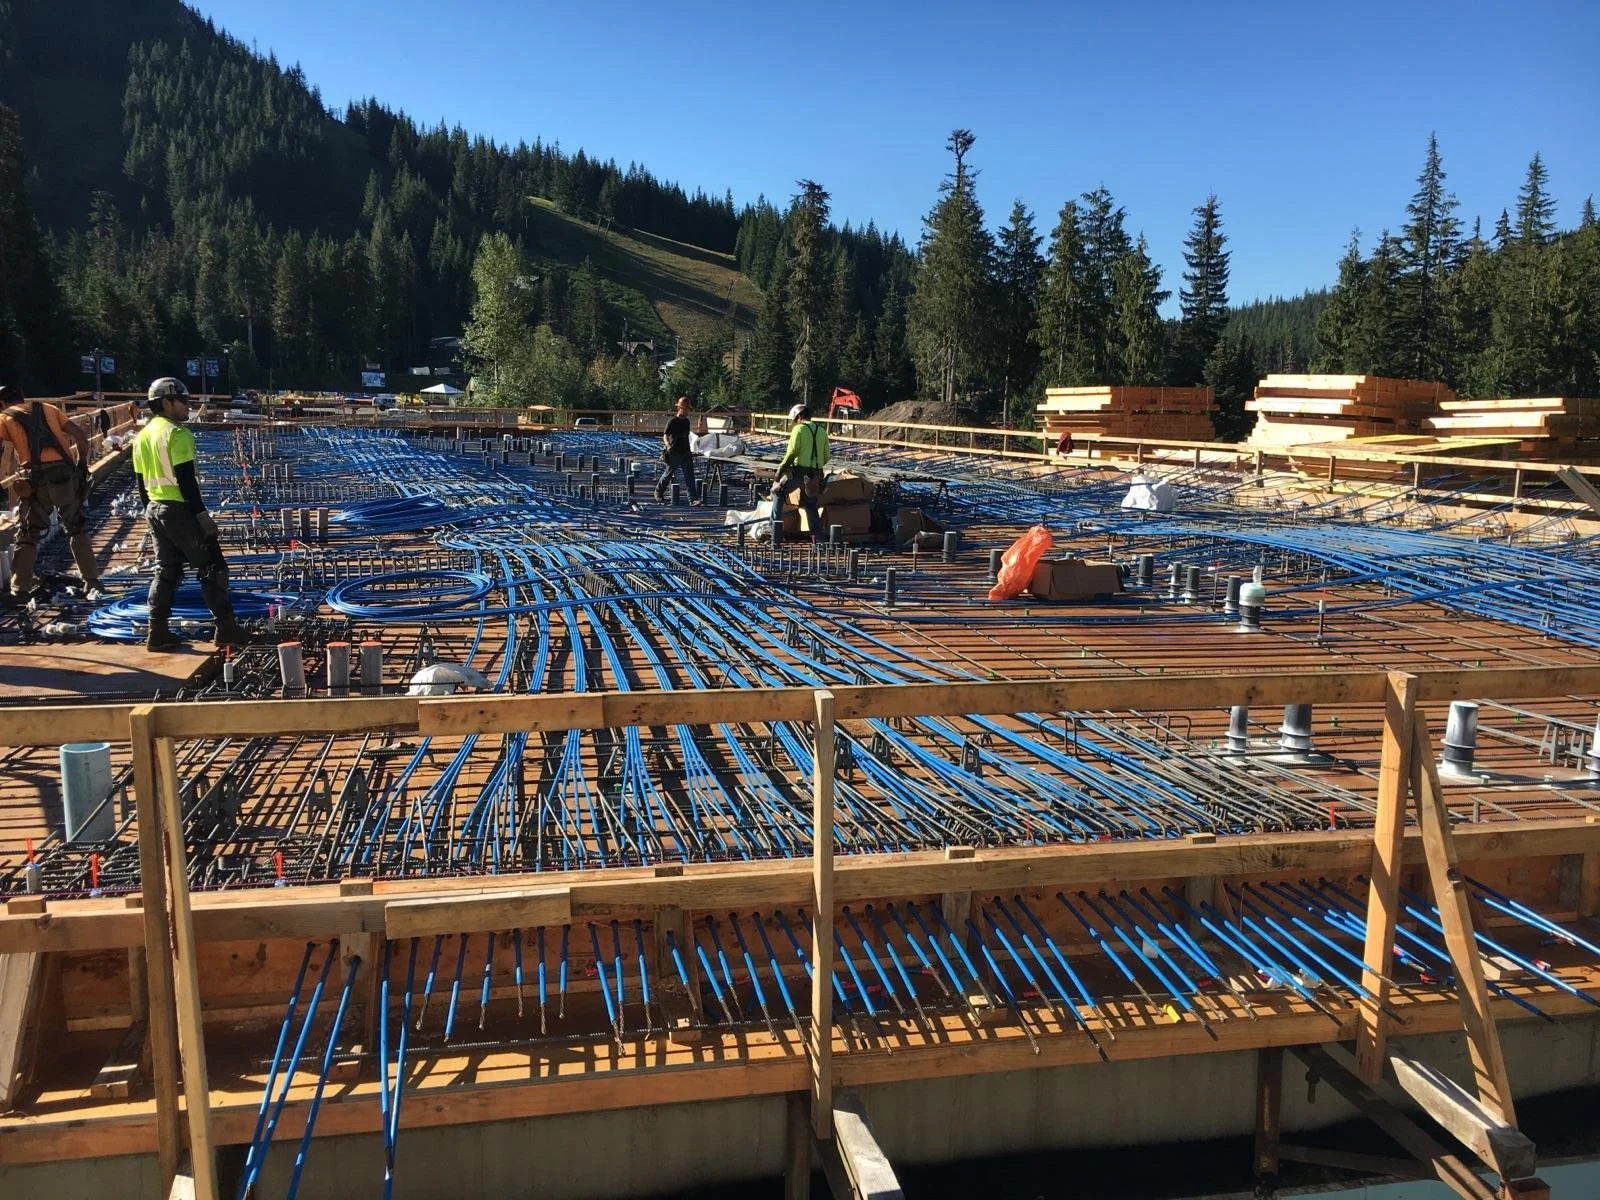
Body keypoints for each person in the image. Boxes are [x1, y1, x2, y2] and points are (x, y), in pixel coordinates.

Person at [132, 377, 252, 651]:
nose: (188, 406)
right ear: (166, 402)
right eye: (183, 401)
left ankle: (157, 631)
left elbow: (141, 484)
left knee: (166, 571)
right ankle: (226, 629)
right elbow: (186, 480)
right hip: (179, 511)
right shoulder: (177, 434)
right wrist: (201, 516)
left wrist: (150, 515)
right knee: (212, 567)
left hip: (155, 509)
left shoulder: (143, 436)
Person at [0, 384, 103, 602]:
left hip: (36, 481)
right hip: (65, 476)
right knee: (76, 528)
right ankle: (92, 582)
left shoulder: (5, 417)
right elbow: (79, 435)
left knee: (28, 534)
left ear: (2, 404)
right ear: (22, 396)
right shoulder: (47, 408)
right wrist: (82, 464)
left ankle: (20, 589)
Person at [771, 403, 830, 538]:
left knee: (777, 492)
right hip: (816, 474)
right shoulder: (821, 431)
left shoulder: (799, 429)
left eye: (795, 419)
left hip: (799, 471)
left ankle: (775, 537)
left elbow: (792, 452)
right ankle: (818, 540)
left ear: (799, 417)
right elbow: (827, 456)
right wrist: (815, 465)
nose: (795, 422)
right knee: (810, 503)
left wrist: (781, 469)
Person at [653, 395, 699, 504]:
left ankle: (693, 499)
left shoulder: (687, 422)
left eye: (688, 409)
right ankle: (658, 492)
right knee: (668, 474)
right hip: (674, 452)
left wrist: (690, 450)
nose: (687, 411)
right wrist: (668, 446)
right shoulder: (672, 421)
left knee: (690, 477)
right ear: (680, 408)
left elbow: (687, 437)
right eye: (686, 409)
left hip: (685, 452)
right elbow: (665, 435)